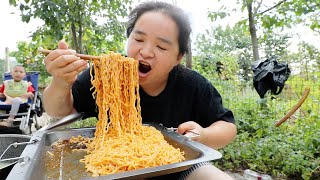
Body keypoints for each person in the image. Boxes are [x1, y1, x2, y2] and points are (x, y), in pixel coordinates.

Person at [43, 1, 237, 179]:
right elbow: (58, 110)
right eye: (138, 39)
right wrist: (61, 81)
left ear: (178, 57)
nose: (145, 52)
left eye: (161, 46)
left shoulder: (191, 84)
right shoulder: (104, 73)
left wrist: (203, 136)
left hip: (176, 166)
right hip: (114, 166)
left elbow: (227, 126)